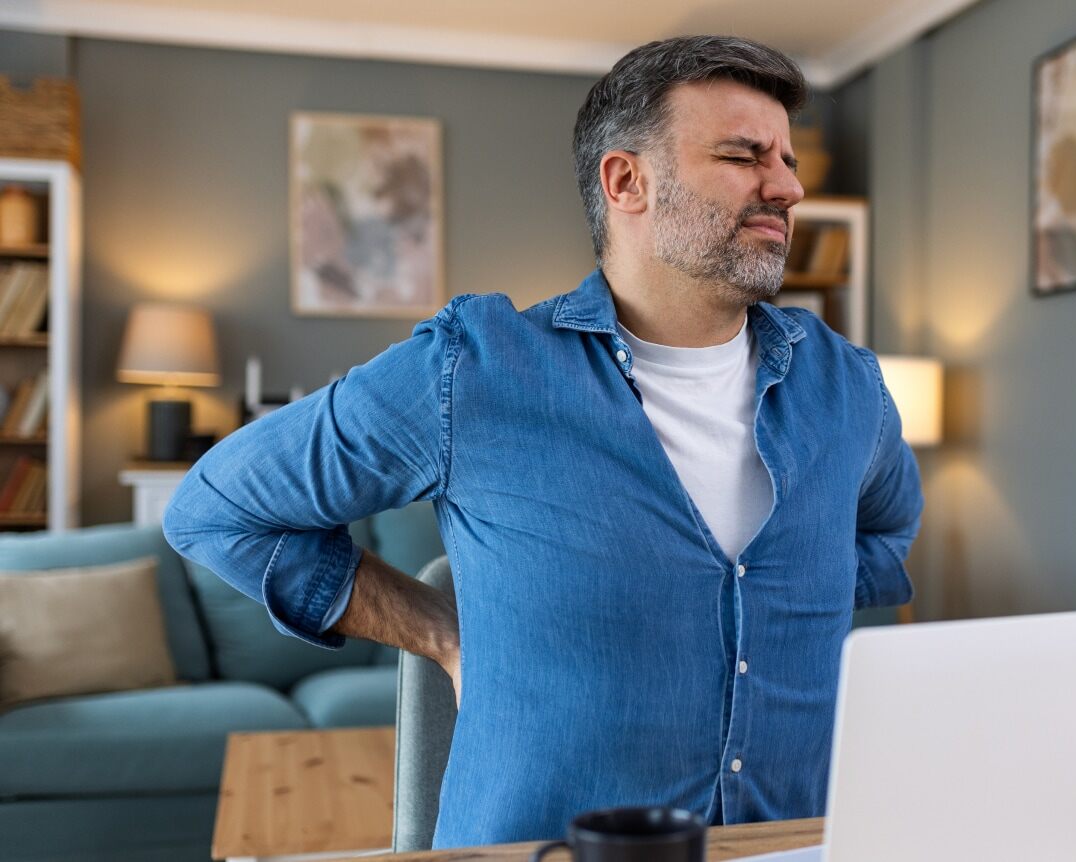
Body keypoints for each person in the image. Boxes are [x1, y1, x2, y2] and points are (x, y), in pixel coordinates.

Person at [163, 34, 922, 848]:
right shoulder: (477, 370)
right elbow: (214, 511)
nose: (789, 186)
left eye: (785, 157)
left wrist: (759, 602)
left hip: (801, 845)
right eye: (744, 155)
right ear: (627, 181)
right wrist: (440, 632)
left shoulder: (848, 387)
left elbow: (881, 537)